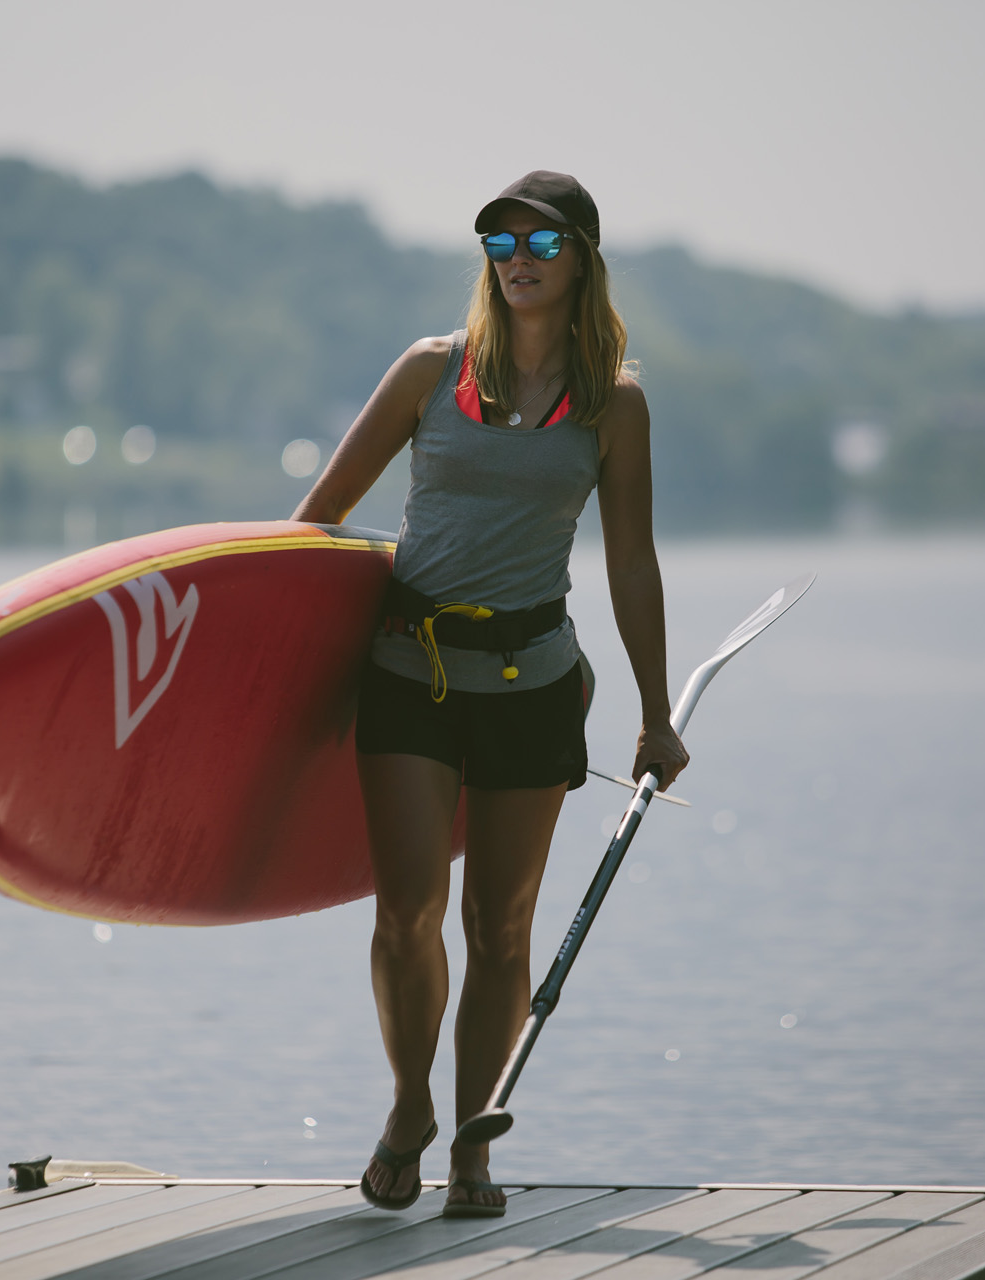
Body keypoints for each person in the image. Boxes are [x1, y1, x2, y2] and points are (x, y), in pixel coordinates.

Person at [292, 171, 687, 1220]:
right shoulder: (431, 371)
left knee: (501, 928)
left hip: (534, 684)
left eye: (543, 242)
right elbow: (318, 517)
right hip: (410, 673)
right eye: (501, 238)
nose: (518, 256)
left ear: (582, 261)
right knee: (405, 912)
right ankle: (410, 1108)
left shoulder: (615, 403)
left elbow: (632, 563)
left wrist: (655, 710)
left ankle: (472, 1147)